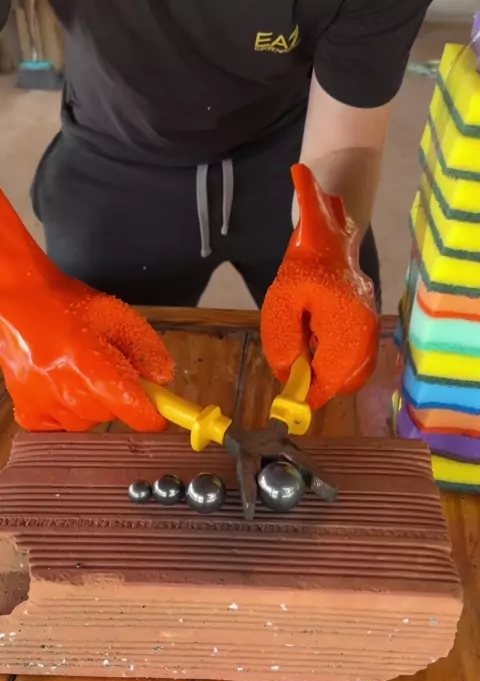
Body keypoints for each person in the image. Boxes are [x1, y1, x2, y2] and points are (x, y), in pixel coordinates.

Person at [0, 0, 431, 432]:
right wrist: (14, 291)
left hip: (293, 148)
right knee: (87, 409)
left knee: (348, 390)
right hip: (114, 153)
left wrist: (332, 247)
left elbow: (347, 145)